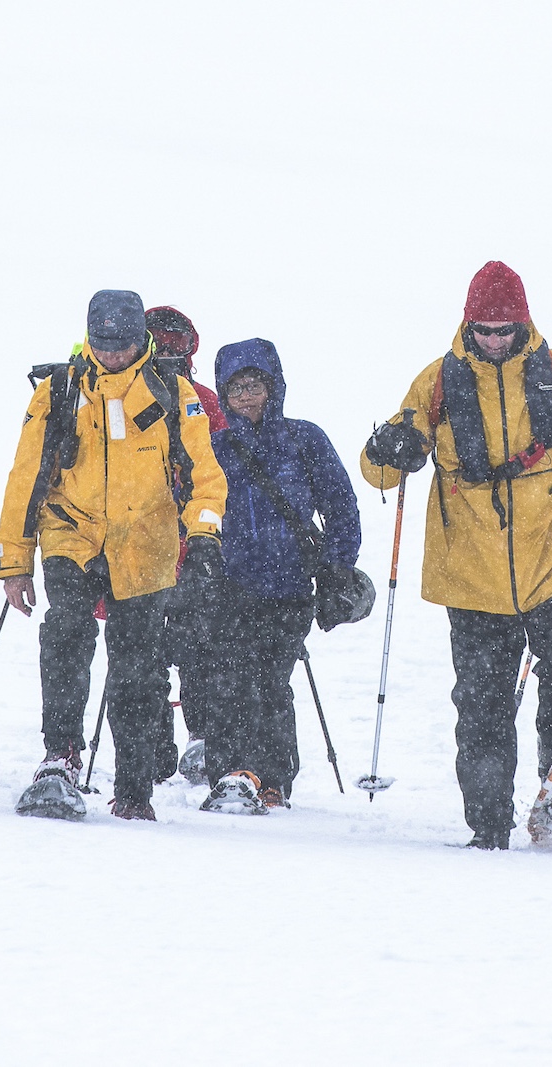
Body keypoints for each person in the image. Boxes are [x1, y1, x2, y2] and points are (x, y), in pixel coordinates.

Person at [359, 262, 552, 850]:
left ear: (523, 323)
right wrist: (386, 449)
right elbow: (380, 472)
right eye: (485, 329)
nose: (495, 340)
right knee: (481, 708)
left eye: (505, 329)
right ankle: (488, 825)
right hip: (469, 573)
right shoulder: (436, 383)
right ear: (468, 324)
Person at [0, 290, 228, 821]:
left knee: (138, 668)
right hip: (70, 536)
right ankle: (59, 760)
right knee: (66, 637)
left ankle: (133, 789)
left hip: (146, 546)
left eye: (122, 345)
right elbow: (25, 478)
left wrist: (204, 537)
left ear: (139, 339)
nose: (113, 355)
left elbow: (206, 478)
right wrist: (15, 562)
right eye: (103, 344)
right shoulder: (58, 391)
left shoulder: (175, 392)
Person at [196, 337, 362, 812]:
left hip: (290, 589)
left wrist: (335, 568)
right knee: (227, 680)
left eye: (254, 385)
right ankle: (230, 775)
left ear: (274, 387)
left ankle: (271, 779)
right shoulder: (214, 448)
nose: (245, 397)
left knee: (269, 679)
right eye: (234, 389)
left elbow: (341, 507)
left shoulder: (304, 439)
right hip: (228, 585)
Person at [145, 305, 228, 787]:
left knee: (176, 646)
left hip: (188, 544)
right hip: (175, 543)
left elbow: (216, 472)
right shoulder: (205, 400)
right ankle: (177, 742)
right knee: (175, 648)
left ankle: (173, 743)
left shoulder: (201, 402)